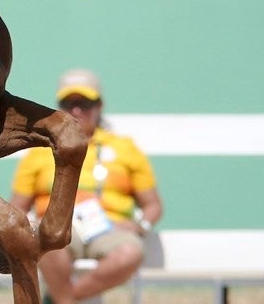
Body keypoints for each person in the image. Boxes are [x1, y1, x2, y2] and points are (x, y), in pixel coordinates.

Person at [9, 68, 163, 304]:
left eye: (85, 103)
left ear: (99, 106)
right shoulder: (39, 152)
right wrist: (28, 228)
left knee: (130, 253)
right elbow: (17, 206)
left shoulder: (125, 148)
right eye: (69, 104)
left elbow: (153, 205)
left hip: (109, 230)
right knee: (47, 243)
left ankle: (65, 299)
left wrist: (139, 225)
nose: (77, 111)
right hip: (59, 227)